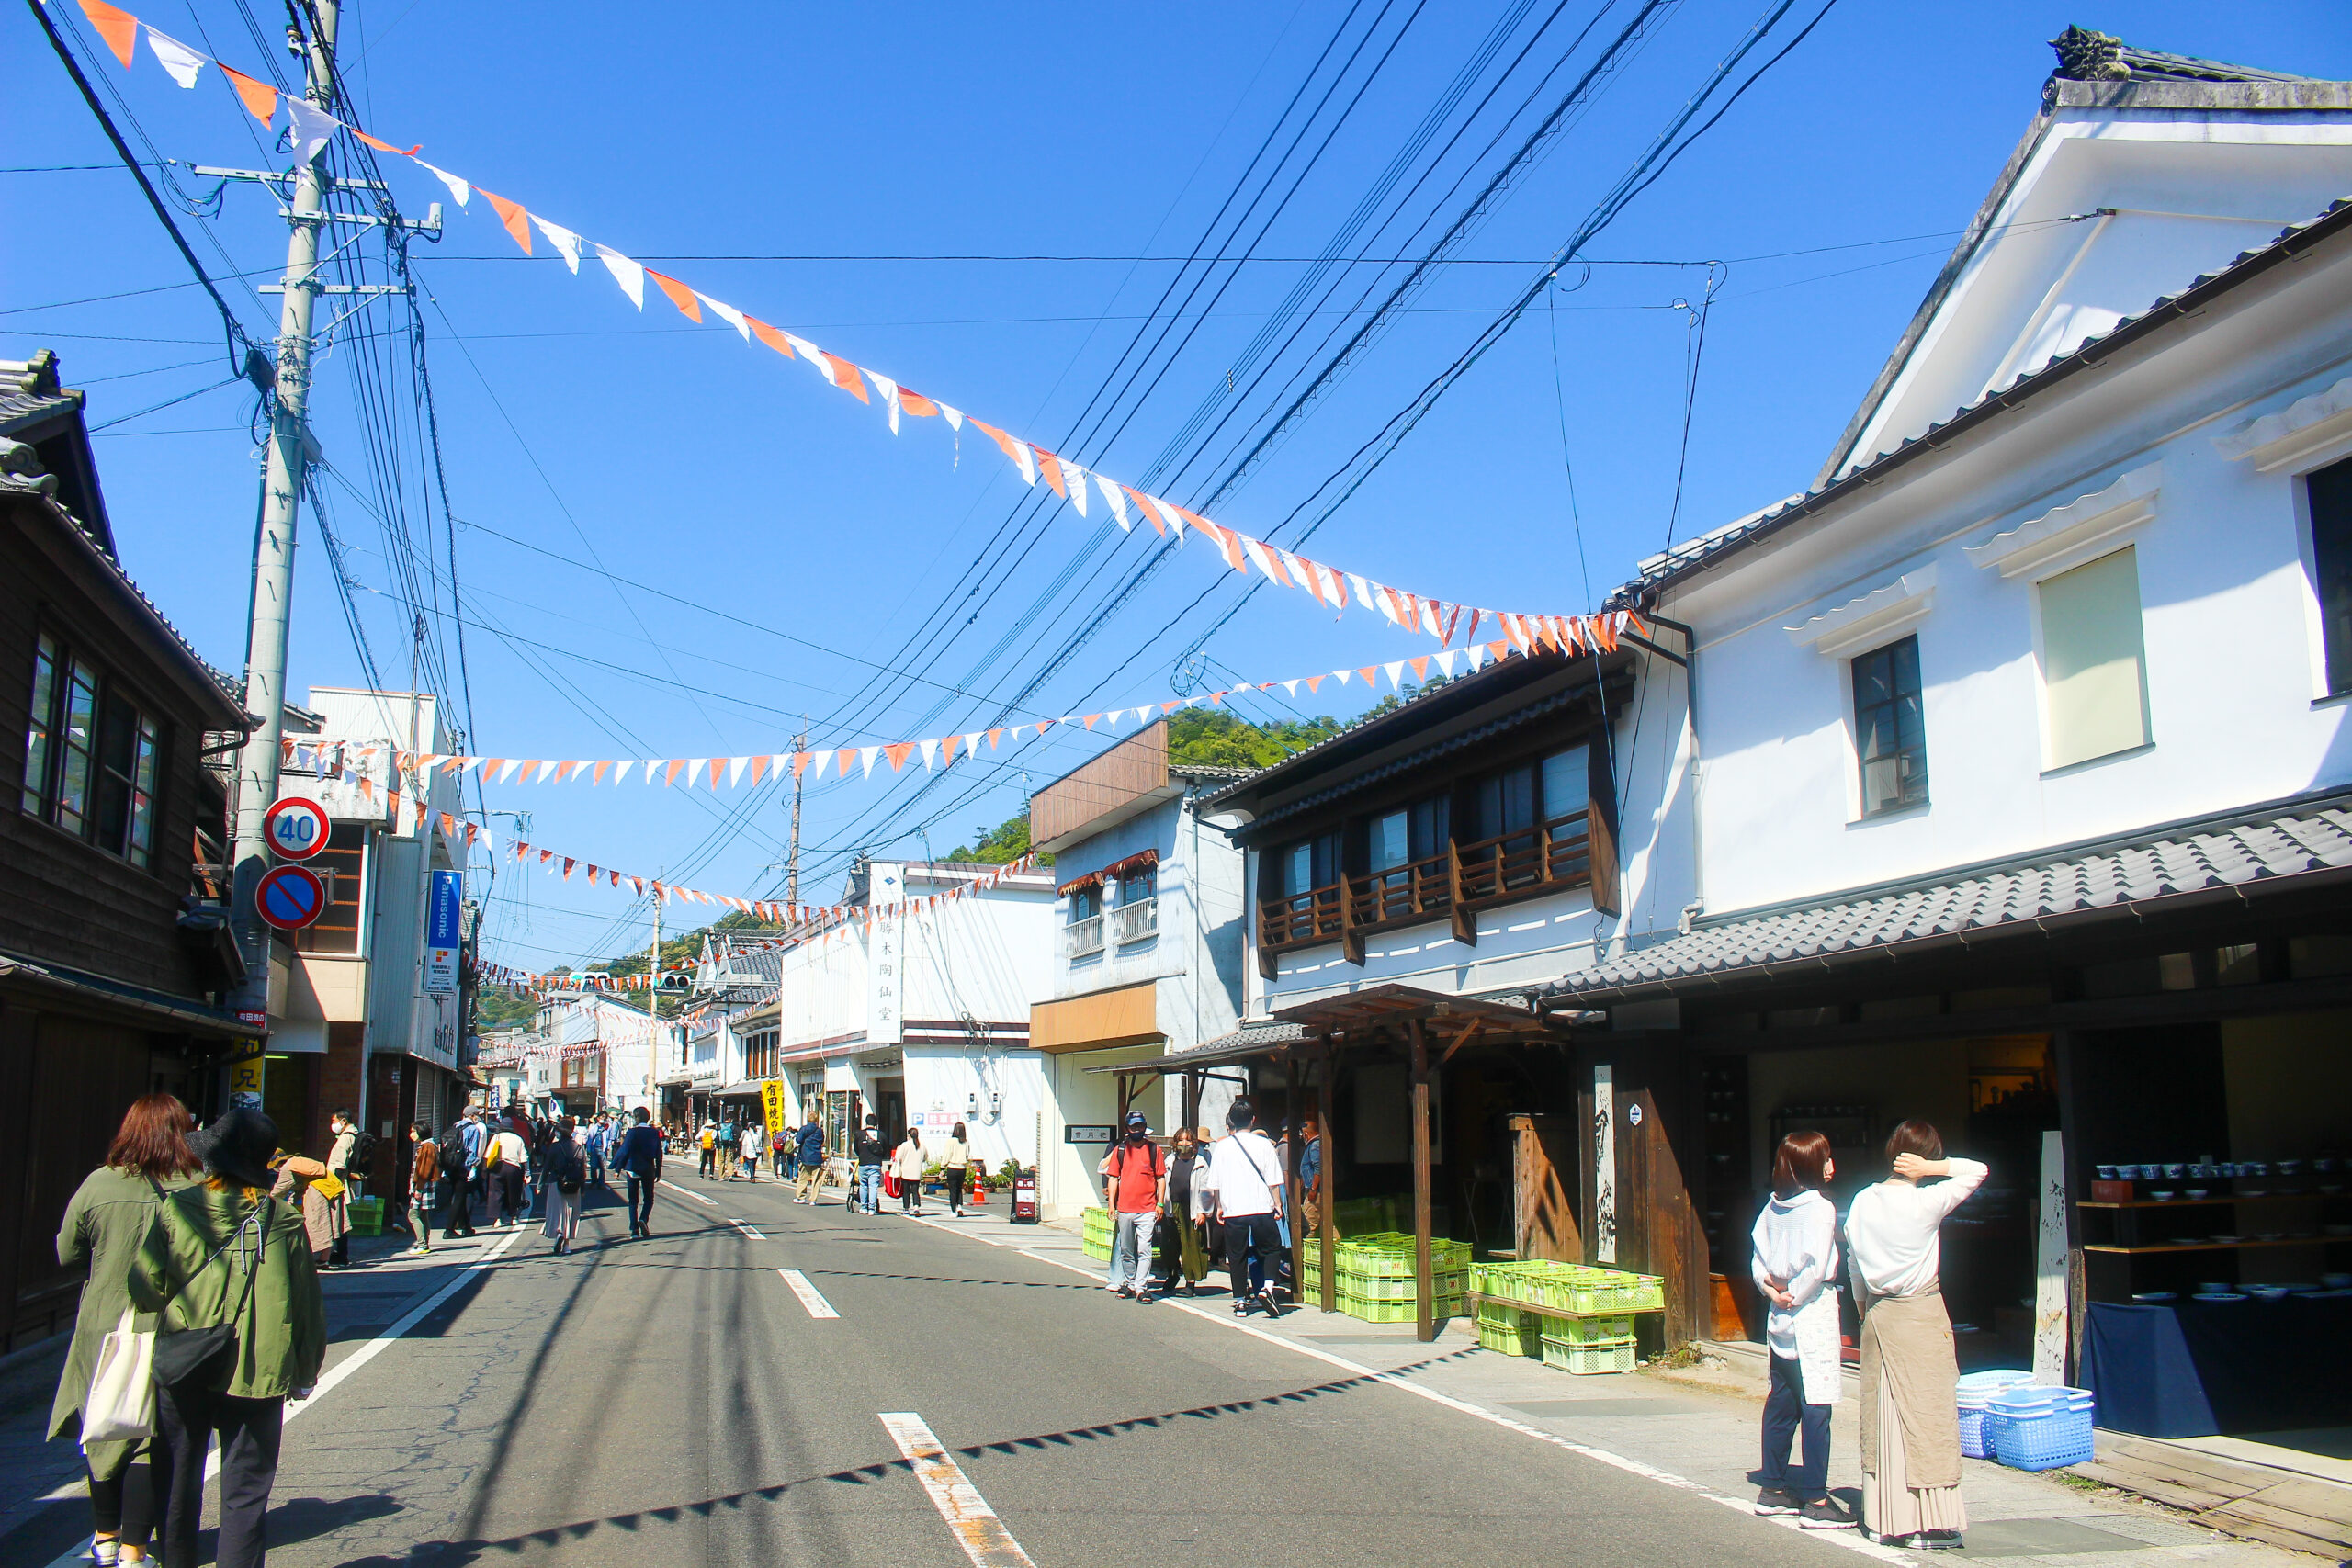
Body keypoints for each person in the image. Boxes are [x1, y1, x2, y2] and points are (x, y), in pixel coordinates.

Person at [143, 1107, 325, 1568]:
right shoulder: (282, 1220)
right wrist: (305, 1371)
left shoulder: (177, 1207)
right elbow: (305, 1304)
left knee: (176, 1479)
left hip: (186, 1359)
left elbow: (143, 1286)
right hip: (259, 1369)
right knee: (246, 1492)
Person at [52, 1093, 203, 1568]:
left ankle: (105, 1537)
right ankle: (137, 1550)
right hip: (173, 1325)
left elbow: (66, 1253)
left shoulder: (99, 1183)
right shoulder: (196, 1184)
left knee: (105, 1424)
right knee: (150, 1436)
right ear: (180, 1132)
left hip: (104, 1322)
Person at [1845, 1121, 1988, 1551]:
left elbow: (1852, 1266)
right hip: (1921, 1312)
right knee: (1928, 1418)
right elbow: (1978, 1170)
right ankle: (1934, 1523)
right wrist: (1934, 1168)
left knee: (1884, 1417)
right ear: (1923, 1158)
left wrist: (1861, 1313)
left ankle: (1888, 1520)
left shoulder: (1862, 1200)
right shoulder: (1926, 1201)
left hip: (1878, 1315)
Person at [1751, 1131, 1853, 1529]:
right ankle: (1815, 1497)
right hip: (1812, 1312)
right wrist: (1796, 1293)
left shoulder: (1772, 1207)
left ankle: (1773, 1488)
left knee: (1782, 1401)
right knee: (1816, 1406)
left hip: (1779, 1315)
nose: (1832, 1166)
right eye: (1826, 1158)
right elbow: (1817, 1265)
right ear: (1812, 1165)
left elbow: (1758, 1259)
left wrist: (1772, 1292)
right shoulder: (1821, 1208)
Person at [1204, 1099, 1283, 1317]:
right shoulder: (1264, 1144)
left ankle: (1240, 1301)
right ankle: (1267, 1288)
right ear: (1253, 1120)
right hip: (1261, 1207)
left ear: (1231, 1121)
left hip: (1233, 1210)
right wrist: (1277, 1203)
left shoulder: (1221, 1146)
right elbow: (1273, 1180)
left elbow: (1215, 1183)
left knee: (1236, 1255)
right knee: (1272, 1248)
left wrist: (1219, 1207)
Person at [1098, 1111, 1166, 1301]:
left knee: (1144, 1249)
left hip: (1147, 1208)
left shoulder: (1154, 1150)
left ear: (1145, 1127)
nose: (1137, 1129)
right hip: (1125, 1208)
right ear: (1127, 1128)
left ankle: (1141, 1286)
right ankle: (1129, 1283)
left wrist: (1160, 1203)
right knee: (1126, 1249)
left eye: (1140, 1126)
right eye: (1134, 1126)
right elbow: (1113, 1178)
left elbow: (1160, 1178)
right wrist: (1112, 1204)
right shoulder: (1120, 1150)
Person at [1155, 1126, 1211, 1296]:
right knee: (1169, 1246)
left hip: (1191, 1209)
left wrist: (1203, 1211)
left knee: (1191, 1247)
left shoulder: (1200, 1162)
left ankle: (1190, 1282)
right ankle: (1172, 1275)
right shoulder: (1169, 1161)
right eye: (1181, 1140)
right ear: (1176, 1143)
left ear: (1193, 1143)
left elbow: (1206, 1190)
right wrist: (1160, 1204)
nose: (1184, 1143)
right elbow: (1161, 1183)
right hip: (1172, 1208)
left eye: (1187, 1140)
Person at [614, 1106, 665, 1238]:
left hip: (633, 1168)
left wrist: (618, 1168)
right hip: (648, 1168)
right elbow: (659, 1153)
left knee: (633, 1200)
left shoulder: (632, 1132)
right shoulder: (654, 1132)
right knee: (649, 1198)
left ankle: (634, 1230)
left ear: (636, 1118)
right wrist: (658, 1171)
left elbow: (625, 1151)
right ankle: (643, 1219)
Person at [540, 1116, 586, 1255]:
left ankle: (559, 1233)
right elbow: (582, 1169)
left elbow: (546, 1167)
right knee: (571, 1213)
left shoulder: (555, 1147)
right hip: (575, 1184)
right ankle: (567, 1245)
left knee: (557, 1212)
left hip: (557, 1182)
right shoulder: (578, 1147)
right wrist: (583, 1187)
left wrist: (540, 1184)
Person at [322, 1109, 357, 1269]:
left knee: (338, 1220)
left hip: (337, 1184)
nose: (333, 1124)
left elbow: (340, 1164)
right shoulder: (353, 1135)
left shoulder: (345, 1138)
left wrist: (332, 1186)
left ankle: (340, 1255)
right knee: (340, 1219)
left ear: (343, 1121)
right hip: (342, 1183)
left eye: (334, 1121)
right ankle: (341, 1254)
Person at [402, 1122, 439, 1258]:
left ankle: (422, 1244)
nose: (411, 1134)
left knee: (413, 1215)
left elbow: (424, 1170)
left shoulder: (427, 1147)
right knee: (423, 1215)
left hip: (422, 1187)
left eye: (413, 1131)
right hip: (423, 1186)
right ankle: (424, 1243)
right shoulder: (427, 1146)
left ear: (421, 1132)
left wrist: (418, 1188)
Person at [438, 1117, 478, 1239]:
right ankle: (449, 1229)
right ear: (472, 1116)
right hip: (462, 1166)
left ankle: (466, 1227)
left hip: (450, 1165)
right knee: (459, 1198)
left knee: (459, 1195)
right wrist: (472, 1167)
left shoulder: (454, 1126)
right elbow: (472, 1150)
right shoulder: (473, 1129)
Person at [485, 1119, 528, 1228]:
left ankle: (497, 1219)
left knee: (496, 1192)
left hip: (497, 1167)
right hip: (513, 1168)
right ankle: (514, 1217)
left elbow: (487, 1155)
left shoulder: (496, 1137)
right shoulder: (518, 1139)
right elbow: (524, 1158)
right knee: (514, 1192)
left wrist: (484, 1170)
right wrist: (527, 1173)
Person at [852, 1116, 888, 1215]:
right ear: (876, 1123)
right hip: (876, 1164)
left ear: (866, 1122)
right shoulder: (881, 1135)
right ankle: (872, 1208)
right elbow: (885, 1148)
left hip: (863, 1163)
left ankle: (864, 1207)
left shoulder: (860, 1134)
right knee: (873, 1186)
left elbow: (856, 1148)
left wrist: (862, 1155)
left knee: (863, 1185)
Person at [937, 1122, 971, 1217]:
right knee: (959, 1188)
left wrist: (942, 1167)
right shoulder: (966, 1142)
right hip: (962, 1168)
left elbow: (947, 1155)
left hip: (953, 1167)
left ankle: (953, 1211)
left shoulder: (951, 1141)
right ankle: (960, 1207)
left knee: (952, 1190)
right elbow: (967, 1155)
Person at [892, 1126, 926, 1215]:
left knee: (906, 1191)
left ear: (909, 1135)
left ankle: (906, 1208)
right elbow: (926, 1157)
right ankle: (916, 1207)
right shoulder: (921, 1145)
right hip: (916, 1173)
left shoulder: (905, 1145)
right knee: (915, 1191)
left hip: (906, 1172)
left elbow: (898, 1157)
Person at [794, 1118, 826, 1204]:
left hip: (805, 1156)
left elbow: (798, 1140)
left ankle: (801, 1197)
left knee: (803, 1178)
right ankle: (813, 1199)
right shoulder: (819, 1131)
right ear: (816, 1120)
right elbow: (822, 1141)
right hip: (817, 1156)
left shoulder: (804, 1129)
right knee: (816, 1180)